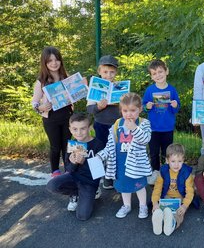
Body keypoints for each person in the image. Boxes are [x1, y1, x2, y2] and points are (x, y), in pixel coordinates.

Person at [97, 92, 152, 219]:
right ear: (121, 110)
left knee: (139, 185)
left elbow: (145, 139)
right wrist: (101, 156)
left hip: (136, 164)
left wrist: (134, 128)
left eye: (133, 110)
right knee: (123, 186)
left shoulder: (144, 123)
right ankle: (126, 205)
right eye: (125, 110)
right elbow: (110, 145)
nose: (129, 114)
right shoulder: (117, 124)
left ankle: (142, 205)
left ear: (140, 109)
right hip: (120, 163)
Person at [46, 113, 105, 220]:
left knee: (82, 216)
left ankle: (94, 191)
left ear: (90, 127)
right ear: (70, 129)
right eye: (75, 129)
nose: (79, 133)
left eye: (83, 128)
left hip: (89, 182)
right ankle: (75, 193)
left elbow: (99, 172)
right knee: (52, 185)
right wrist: (73, 163)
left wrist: (84, 161)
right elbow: (68, 170)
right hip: (74, 178)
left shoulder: (98, 145)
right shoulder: (74, 144)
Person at [32, 46, 73, 177]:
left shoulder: (67, 78)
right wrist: (40, 108)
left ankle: (69, 170)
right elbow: (34, 103)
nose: (54, 63)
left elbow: (77, 94)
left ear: (61, 61)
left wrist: (82, 86)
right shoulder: (41, 82)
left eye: (56, 60)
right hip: (51, 119)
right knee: (55, 147)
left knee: (68, 146)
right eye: (50, 61)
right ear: (44, 63)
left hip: (67, 117)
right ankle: (55, 171)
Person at [87, 55, 121, 190]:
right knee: (101, 150)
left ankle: (112, 177)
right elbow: (89, 109)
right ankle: (100, 180)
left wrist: (123, 102)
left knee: (116, 151)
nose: (108, 75)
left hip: (117, 125)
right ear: (99, 71)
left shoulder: (120, 87)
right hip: (101, 124)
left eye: (112, 72)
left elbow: (128, 107)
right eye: (105, 72)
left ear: (116, 72)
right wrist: (98, 107)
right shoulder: (95, 87)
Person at [143, 59, 180, 175]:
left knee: (167, 152)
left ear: (166, 71)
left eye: (160, 72)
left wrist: (175, 105)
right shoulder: (150, 90)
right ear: (151, 77)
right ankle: (155, 173)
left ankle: (167, 173)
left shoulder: (172, 90)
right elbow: (143, 106)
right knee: (153, 153)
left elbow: (176, 108)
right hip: (153, 128)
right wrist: (147, 107)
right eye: (154, 73)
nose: (158, 75)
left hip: (167, 128)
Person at [151, 144, 194, 236]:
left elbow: (190, 192)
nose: (176, 164)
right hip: (167, 195)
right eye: (173, 161)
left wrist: (185, 206)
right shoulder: (163, 171)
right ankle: (159, 221)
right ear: (167, 161)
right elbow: (157, 188)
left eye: (180, 161)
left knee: (178, 212)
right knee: (160, 208)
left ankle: (173, 223)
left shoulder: (186, 173)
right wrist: (155, 203)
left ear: (183, 161)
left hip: (181, 197)